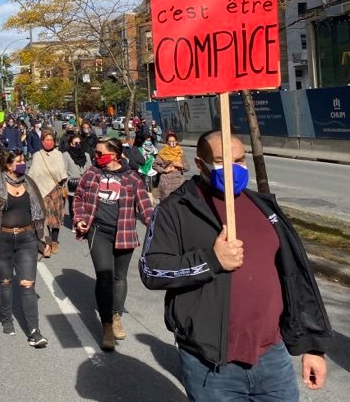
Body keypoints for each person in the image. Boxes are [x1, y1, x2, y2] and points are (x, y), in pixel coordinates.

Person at [139, 131, 333, 400]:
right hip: (210, 364)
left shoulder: (264, 207)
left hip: (272, 356)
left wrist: (312, 346)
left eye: (239, 160)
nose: (232, 168)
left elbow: (296, 277)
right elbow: (151, 269)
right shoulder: (176, 209)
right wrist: (211, 260)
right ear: (199, 163)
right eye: (220, 160)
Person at [74, 137, 154, 352]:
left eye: (100, 154)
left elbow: (146, 208)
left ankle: (117, 316)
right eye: (96, 154)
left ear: (116, 155)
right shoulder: (92, 173)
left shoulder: (132, 178)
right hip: (98, 232)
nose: (96, 157)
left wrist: (160, 229)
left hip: (124, 233)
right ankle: (107, 325)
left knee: (119, 277)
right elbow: (79, 197)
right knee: (104, 275)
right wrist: (79, 218)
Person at [0, 150, 50, 346]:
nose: (22, 164)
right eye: (18, 161)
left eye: (23, 160)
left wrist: (45, 239)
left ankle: (34, 331)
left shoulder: (29, 183)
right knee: (6, 281)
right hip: (3, 240)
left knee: (27, 284)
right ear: (8, 165)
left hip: (27, 239)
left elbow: (40, 213)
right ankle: (7, 318)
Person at [27, 129, 68, 256]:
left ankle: (54, 241)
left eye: (51, 140)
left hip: (56, 188)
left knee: (55, 218)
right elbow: (33, 173)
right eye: (46, 140)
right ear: (42, 141)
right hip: (41, 190)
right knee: (43, 218)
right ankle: (46, 243)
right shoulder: (37, 155)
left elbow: (61, 173)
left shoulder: (58, 154)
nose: (49, 142)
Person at [153, 132, 186, 201]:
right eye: (170, 141)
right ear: (167, 142)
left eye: (173, 141)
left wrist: (181, 165)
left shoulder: (180, 152)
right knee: (166, 203)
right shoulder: (162, 152)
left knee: (177, 203)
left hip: (178, 182)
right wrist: (164, 170)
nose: (172, 143)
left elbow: (187, 167)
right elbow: (155, 165)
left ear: (176, 141)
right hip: (166, 182)